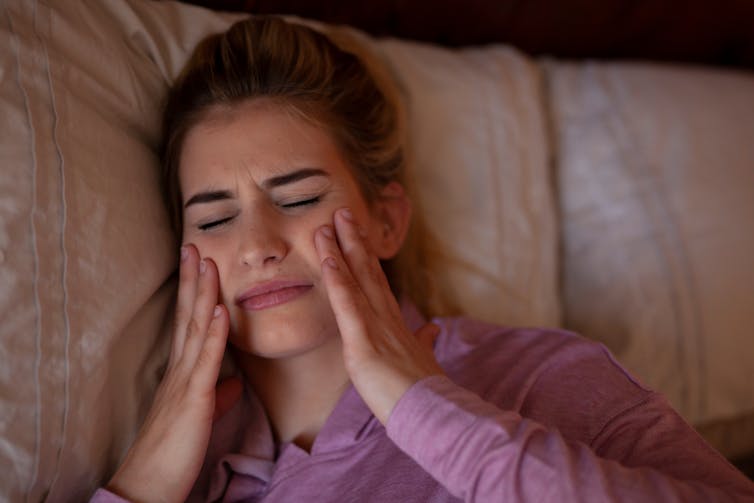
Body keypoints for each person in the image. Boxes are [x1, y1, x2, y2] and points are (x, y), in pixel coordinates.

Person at [91, 16, 754, 503]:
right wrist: (142, 482)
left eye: (296, 198)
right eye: (214, 217)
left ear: (386, 220)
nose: (258, 244)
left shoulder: (536, 378)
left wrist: (417, 404)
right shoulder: (191, 466)